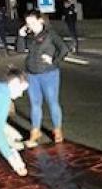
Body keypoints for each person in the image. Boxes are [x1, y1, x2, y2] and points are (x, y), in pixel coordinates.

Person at [19, 9, 69, 147]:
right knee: (35, 104)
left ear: (40, 20)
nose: (31, 26)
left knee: (52, 102)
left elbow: (64, 49)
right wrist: (20, 36)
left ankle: (57, 130)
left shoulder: (50, 34)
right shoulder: (29, 35)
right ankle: (35, 132)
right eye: (28, 23)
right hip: (31, 74)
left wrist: (54, 60)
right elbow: (19, 49)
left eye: (33, 22)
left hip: (49, 74)